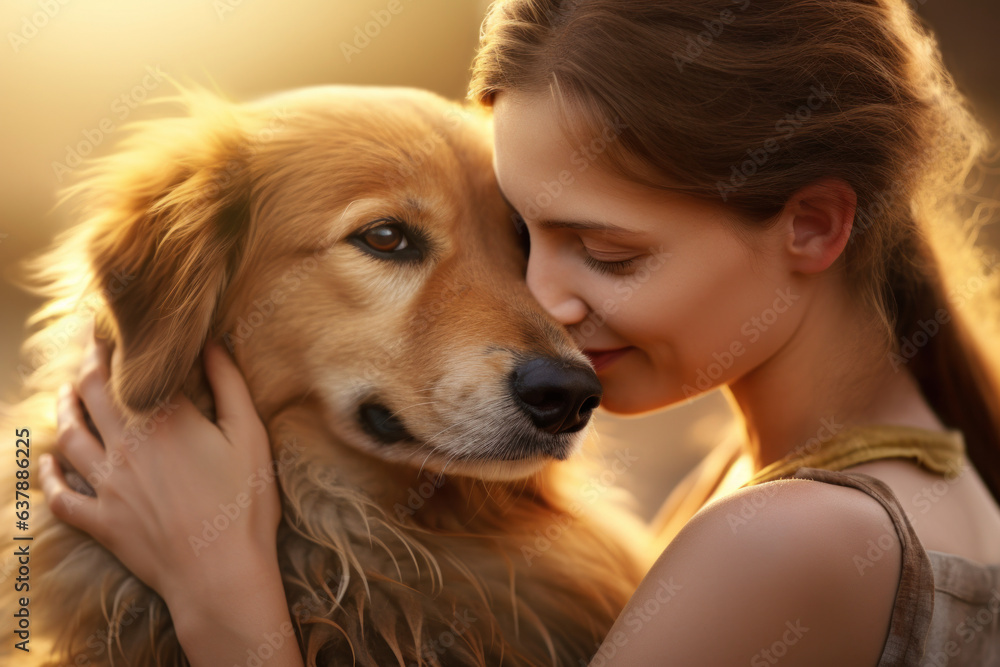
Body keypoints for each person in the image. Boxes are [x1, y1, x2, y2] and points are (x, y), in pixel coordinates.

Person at [39, 0, 1000, 664]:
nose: (549, 315)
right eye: (528, 238)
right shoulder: (787, 481)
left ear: (813, 225)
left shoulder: (788, 541)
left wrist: (221, 592)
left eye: (612, 253)